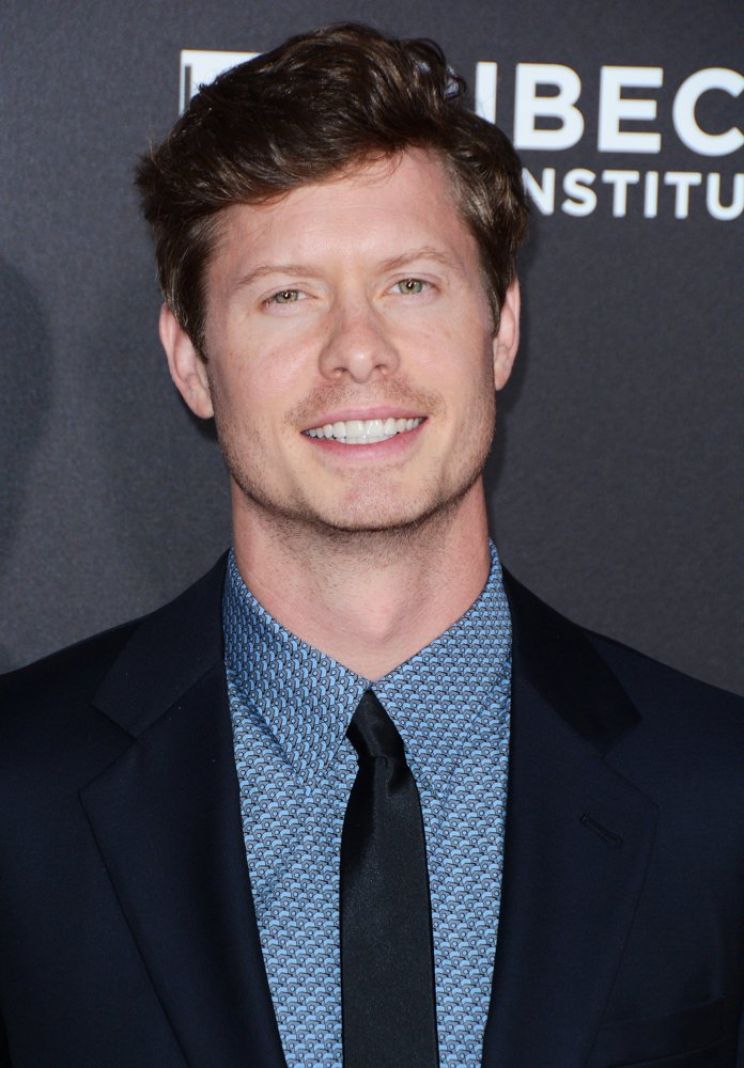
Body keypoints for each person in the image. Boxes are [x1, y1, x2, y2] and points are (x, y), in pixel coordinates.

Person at [0, 22, 742, 1068]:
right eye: (287, 296)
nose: (358, 351)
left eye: (411, 285)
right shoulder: (19, 794)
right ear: (192, 361)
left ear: (502, 329)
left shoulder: (718, 792)